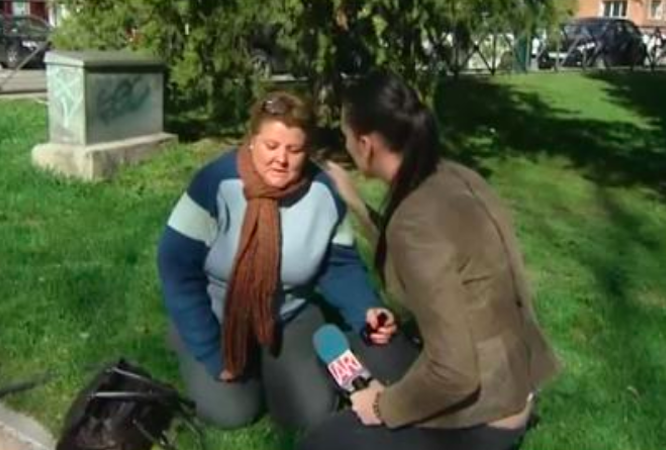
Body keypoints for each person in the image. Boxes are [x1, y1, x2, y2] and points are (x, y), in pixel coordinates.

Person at [299, 71, 560, 450]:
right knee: (373, 346)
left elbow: (455, 373)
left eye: (345, 136)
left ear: (365, 143)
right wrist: (355, 202)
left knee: (319, 442)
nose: (346, 145)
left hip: (485, 416)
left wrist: (383, 407)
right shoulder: (455, 176)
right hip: (515, 381)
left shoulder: (414, 223)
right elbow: (457, 276)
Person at [157, 90, 398, 431]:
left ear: (307, 151)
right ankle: (187, 338)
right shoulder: (214, 184)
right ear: (252, 141)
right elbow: (175, 267)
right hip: (217, 313)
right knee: (233, 413)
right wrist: (211, 351)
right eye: (271, 146)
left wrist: (365, 310)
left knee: (310, 414)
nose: (281, 160)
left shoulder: (324, 192)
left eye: (294, 149)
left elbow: (340, 265)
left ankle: (294, 354)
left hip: (290, 313)